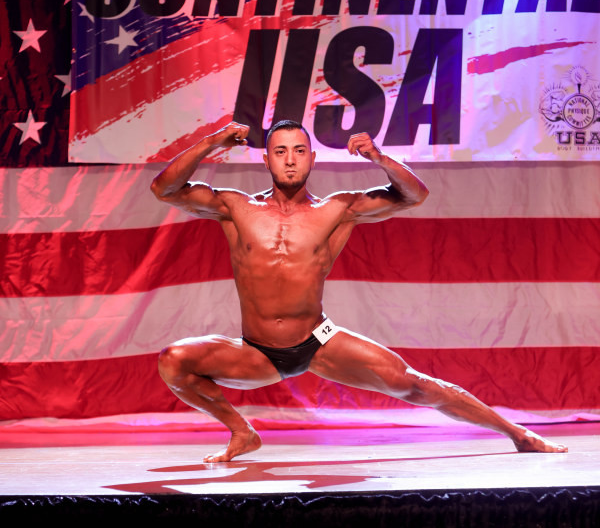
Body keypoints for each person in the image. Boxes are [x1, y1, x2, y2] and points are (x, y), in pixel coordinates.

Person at [151, 119, 567, 462]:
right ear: (266, 159)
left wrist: (378, 157)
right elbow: (163, 189)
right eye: (280, 152)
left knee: (413, 384)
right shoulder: (234, 207)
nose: (290, 160)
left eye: (299, 151)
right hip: (257, 351)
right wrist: (211, 142)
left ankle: (518, 433)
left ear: (312, 158)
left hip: (317, 341)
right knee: (174, 361)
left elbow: (414, 195)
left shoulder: (338, 209)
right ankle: (242, 432)